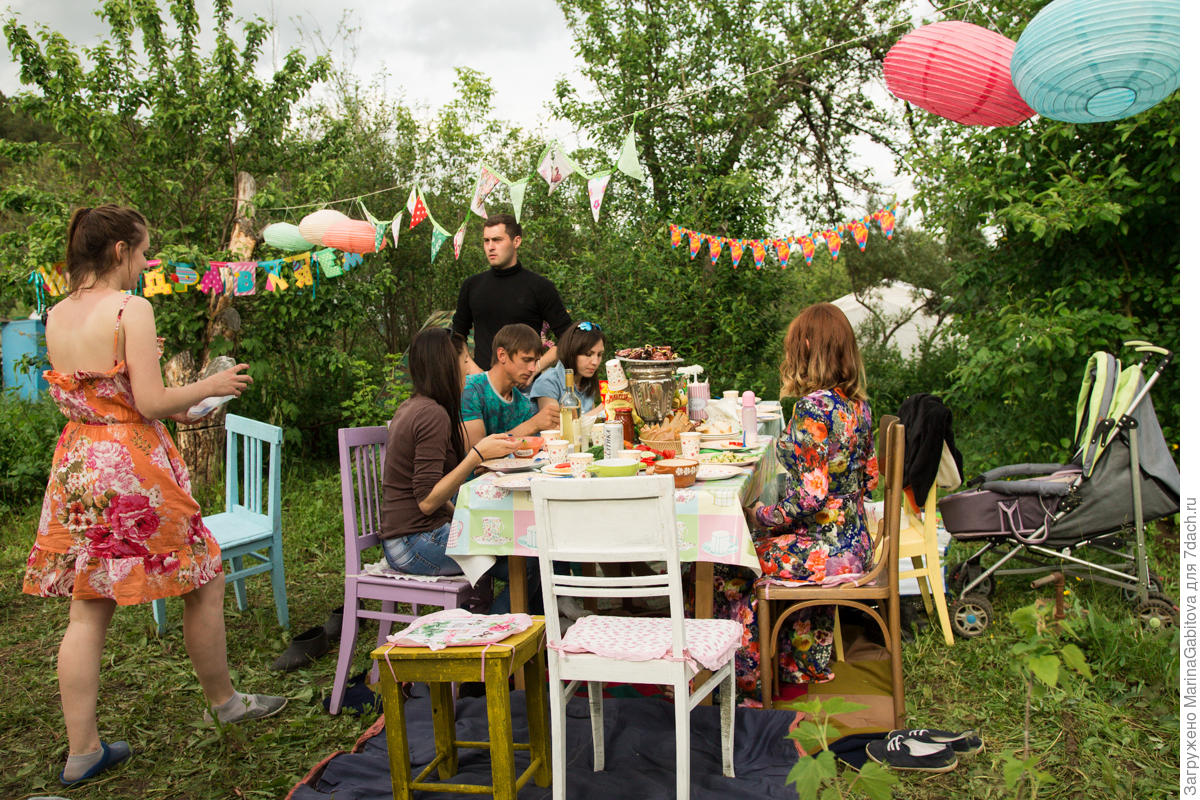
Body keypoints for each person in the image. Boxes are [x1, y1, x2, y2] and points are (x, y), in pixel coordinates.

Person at [21, 205, 286, 786]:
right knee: (205, 574)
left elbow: (112, 394)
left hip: (79, 464)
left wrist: (184, 401)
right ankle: (226, 702)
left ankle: (82, 750)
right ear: (119, 251)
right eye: (143, 253)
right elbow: (147, 403)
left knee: (88, 605)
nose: (145, 266)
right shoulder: (129, 308)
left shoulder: (58, 313)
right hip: (131, 468)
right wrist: (213, 385)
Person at [713, 303, 879, 700]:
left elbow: (809, 497)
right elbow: (869, 478)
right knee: (767, 546)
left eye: (792, 348)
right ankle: (799, 662)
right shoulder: (858, 405)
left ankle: (743, 679)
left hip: (826, 551)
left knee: (731, 560)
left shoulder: (814, 409)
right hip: (854, 542)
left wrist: (760, 515)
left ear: (806, 345)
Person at [380, 327, 520, 574]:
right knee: (523, 558)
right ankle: (486, 614)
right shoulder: (432, 415)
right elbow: (426, 501)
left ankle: (481, 610)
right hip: (413, 542)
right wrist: (476, 455)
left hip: (407, 537)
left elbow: (435, 492)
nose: (469, 368)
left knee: (512, 541)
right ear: (446, 364)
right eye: (465, 360)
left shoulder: (416, 406)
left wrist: (463, 518)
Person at [451, 213, 572, 374]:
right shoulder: (472, 286)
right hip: (481, 384)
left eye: (497, 240)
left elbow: (568, 337)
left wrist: (536, 368)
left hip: (526, 389)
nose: (490, 247)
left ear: (516, 241)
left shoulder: (540, 287)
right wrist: (477, 374)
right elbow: (457, 336)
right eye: (486, 241)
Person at [460, 323, 559, 449]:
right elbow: (475, 451)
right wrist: (532, 425)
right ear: (502, 355)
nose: (533, 368)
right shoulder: (471, 389)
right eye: (526, 360)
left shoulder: (523, 404)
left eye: (535, 362)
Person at [529, 320, 607, 417]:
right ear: (572, 352)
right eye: (588, 354)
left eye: (599, 355)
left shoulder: (586, 383)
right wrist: (600, 409)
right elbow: (556, 427)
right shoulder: (548, 382)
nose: (595, 362)